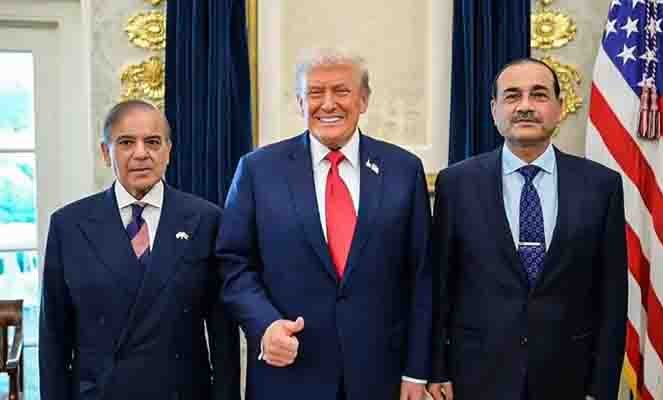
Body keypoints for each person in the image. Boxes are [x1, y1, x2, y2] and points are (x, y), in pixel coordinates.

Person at [216, 47, 432, 400]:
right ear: (301, 103)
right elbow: (233, 264)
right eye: (315, 93)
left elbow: (422, 276)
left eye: (341, 91)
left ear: (363, 99)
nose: (328, 104)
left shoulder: (403, 170)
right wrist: (264, 324)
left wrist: (417, 371)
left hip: (381, 378)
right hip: (289, 377)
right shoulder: (258, 170)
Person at [428, 58, 628, 400]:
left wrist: (602, 388)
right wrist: (437, 370)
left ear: (559, 107)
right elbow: (440, 286)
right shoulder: (456, 184)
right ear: (494, 110)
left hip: (569, 378)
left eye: (538, 95)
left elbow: (612, 297)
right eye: (512, 96)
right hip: (475, 377)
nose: (524, 106)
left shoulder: (601, 186)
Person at [40, 100, 240, 400]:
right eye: (126, 143)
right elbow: (54, 339)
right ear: (106, 152)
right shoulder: (68, 225)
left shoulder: (206, 220)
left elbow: (224, 337)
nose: (141, 153)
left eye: (153, 142)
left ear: (168, 151)